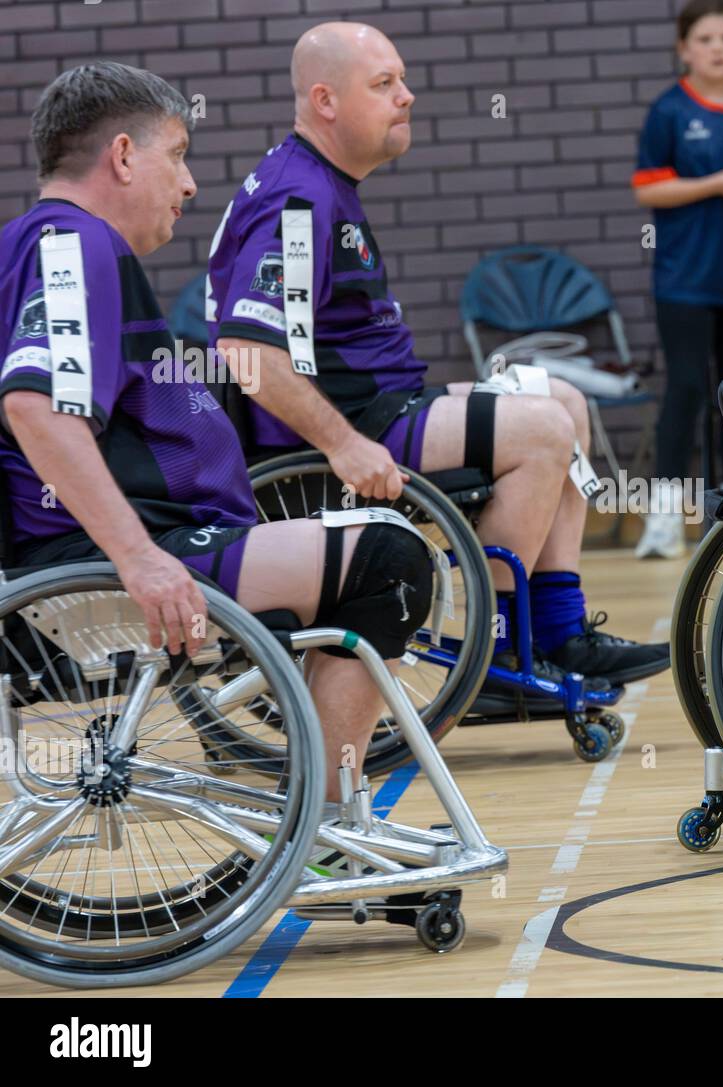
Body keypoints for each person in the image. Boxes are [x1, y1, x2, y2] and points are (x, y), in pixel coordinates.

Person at [0, 63, 431, 809]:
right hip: (92, 571)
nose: (191, 182)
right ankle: (324, 826)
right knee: (390, 561)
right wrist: (138, 557)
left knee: (349, 557)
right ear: (124, 156)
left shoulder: (42, 245)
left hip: (106, 552)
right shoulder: (73, 244)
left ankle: (317, 811)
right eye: (177, 153)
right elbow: (38, 407)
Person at [206, 22, 668, 687]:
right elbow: (245, 348)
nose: (408, 96)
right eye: (384, 84)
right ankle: (500, 647)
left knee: (562, 398)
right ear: (325, 101)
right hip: (346, 429)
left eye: (403, 79)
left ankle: (559, 633)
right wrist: (341, 444)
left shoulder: (318, 182)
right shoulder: (297, 199)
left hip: (382, 404)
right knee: (543, 432)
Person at [631, 0, 723, 559]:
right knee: (689, 389)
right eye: (704, 38)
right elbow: (647, 188)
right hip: (684, 282)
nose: (717, 47)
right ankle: (665, 518)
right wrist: (716, 181)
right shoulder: (669, 112)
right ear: (684, 48)